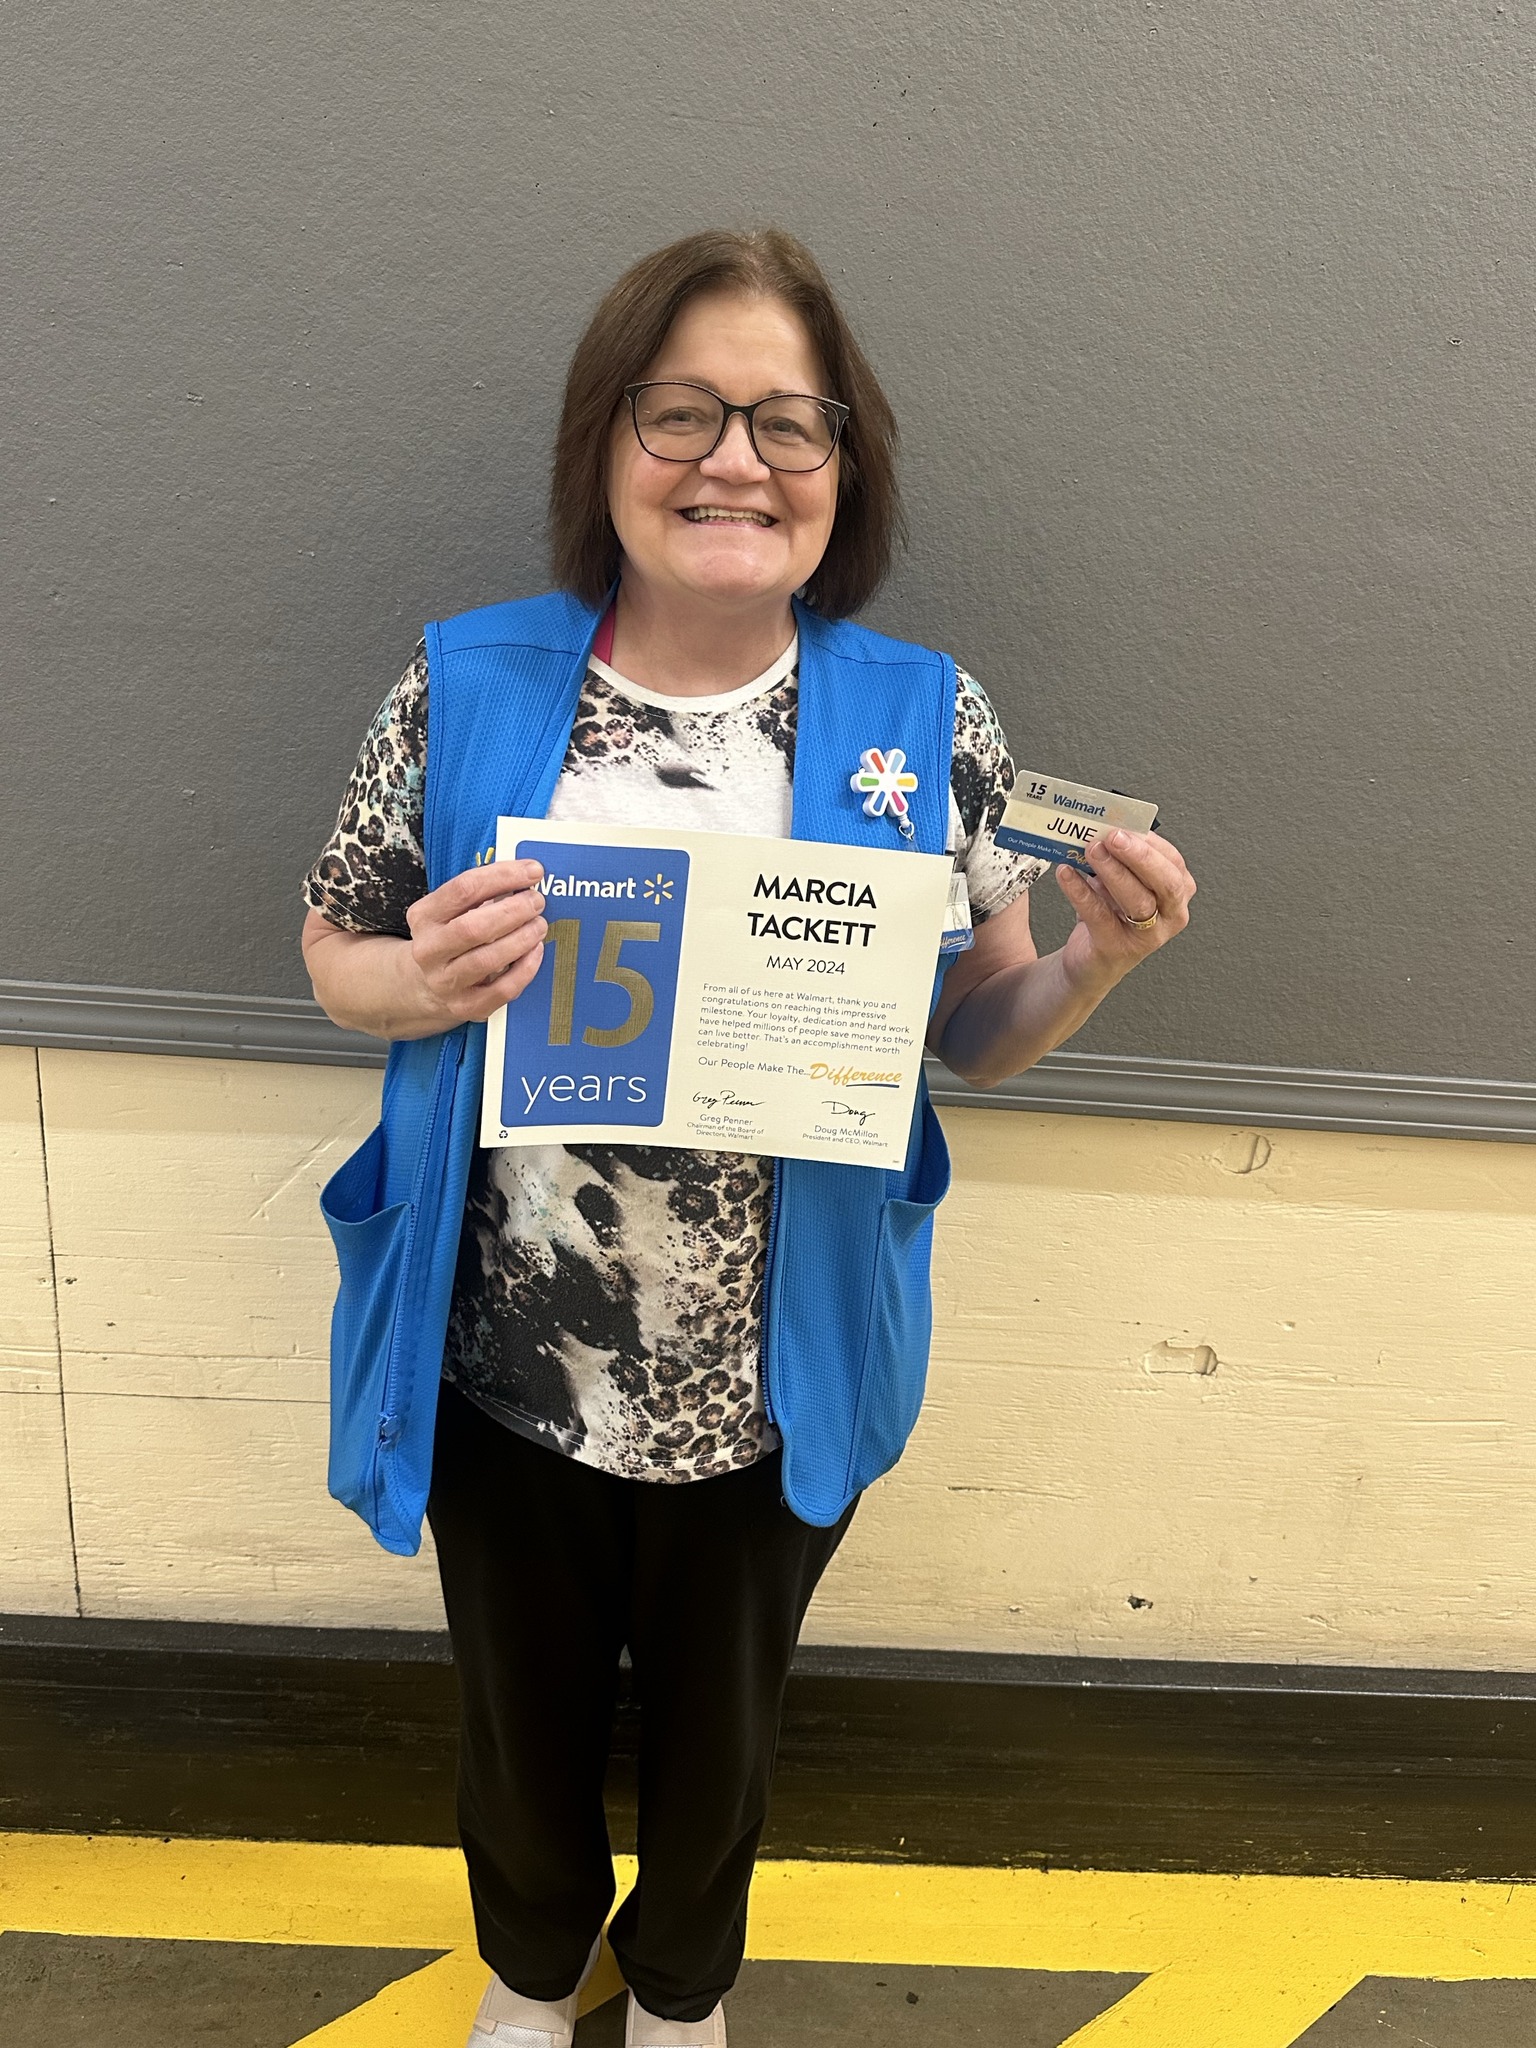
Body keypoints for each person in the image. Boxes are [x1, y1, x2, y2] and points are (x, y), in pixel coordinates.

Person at [301, 228, 1195, 2048]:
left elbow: (974, 1031)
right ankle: (531, 1978)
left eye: (789, 422)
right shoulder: (463, 686)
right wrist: (422, 978)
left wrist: (1090, 964)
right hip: (503, 1359)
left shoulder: (926, 721)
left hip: (773, 1377)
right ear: (605, 443)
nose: (736, 461)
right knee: (519, 1726)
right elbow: (334, 950)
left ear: (843, 467)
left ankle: (685, 1990)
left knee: (726, 1741)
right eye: (684, 412)